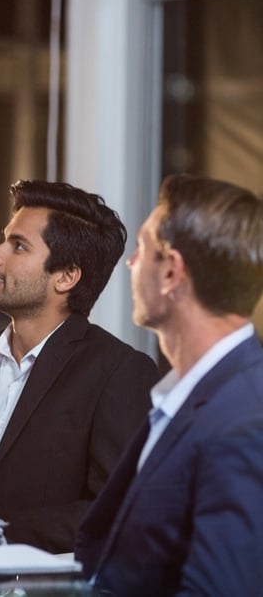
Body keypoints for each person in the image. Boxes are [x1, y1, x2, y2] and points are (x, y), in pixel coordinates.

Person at [0, 179, 160, 553]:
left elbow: (116, 511)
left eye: (18, 246)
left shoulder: (119, 371)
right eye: (5, 239)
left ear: (66, 276)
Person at [76, 175, 263, 595]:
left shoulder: (245, 421)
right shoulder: (194, 396)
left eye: (141, 248)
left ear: (172, 272)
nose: (130, 262)